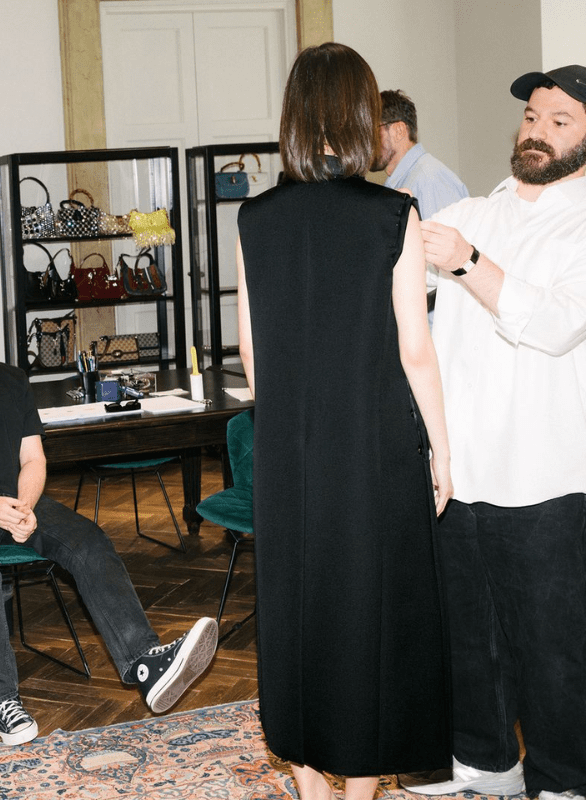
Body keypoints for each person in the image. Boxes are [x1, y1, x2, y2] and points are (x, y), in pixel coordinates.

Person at [234, 42, 453, 800]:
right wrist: (442, 450)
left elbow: (251, 352)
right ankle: (357, 791)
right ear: (363, 114)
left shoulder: (254, 217)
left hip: (289, 448)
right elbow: (415, 349)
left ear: (294, 116)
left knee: (297, 606)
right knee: (370, 610)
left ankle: (309, 783)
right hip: (373, 442)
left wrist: (290, 421)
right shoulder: (392, 213)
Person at [0, 281, 219, 747]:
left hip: (16, 500)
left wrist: (23, 505)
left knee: (89, 540)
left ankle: (144, 662)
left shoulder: (11, 381)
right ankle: (3, 698)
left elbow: (33, 459)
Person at [402, 64, 586, 800]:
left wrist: (468, 263)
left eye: (560, 121)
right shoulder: (476, 211)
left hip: (543, 474)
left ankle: (564, 780)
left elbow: (555, 325)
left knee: (551, 646)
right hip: (460, 468)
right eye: (532, 117)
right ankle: (486, 766)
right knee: (466, 635)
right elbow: (401, 282)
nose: (537, 131)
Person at [373, 89, 469, 221]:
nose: (366, 141)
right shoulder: (409, 182)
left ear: (399, 131)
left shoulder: (430, 181)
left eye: (372, 131)